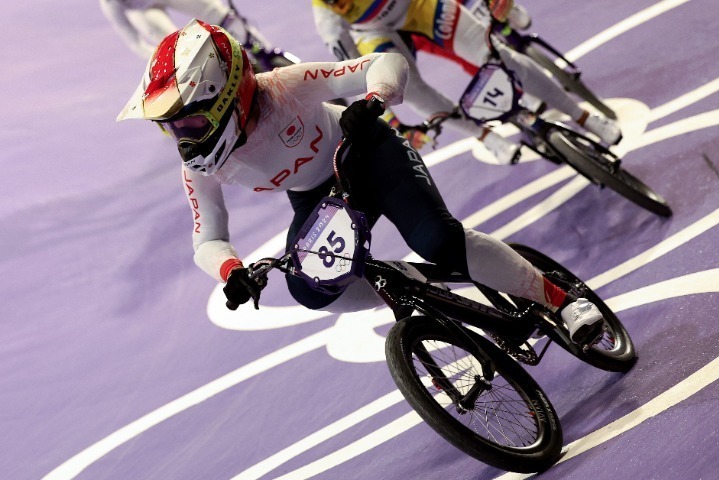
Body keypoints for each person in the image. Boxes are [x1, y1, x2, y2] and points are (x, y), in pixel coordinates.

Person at [117, 19, 604, 344]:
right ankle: (412, 286)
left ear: (225, 98)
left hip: (369, 151)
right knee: (308, 289)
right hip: (320, 194)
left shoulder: (286, 86)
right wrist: (231, 270)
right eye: (171, 126)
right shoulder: (200, 166)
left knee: (437, 238)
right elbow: (208, 238)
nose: (182, 138)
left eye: (189, 123)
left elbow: (385, 65)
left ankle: (563, 303)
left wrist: (373, 101)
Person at [311, 0, 621, 164]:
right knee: (405, 87)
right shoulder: (325, 15)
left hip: (419, 4)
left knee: (499, 56)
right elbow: (355, 70)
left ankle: (583, 116)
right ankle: (486, 136)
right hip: (376, 32)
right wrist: (390, 116)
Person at [99, 0, 280, 71]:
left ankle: (263, 50)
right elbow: (135, 43)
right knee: (177, 47)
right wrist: (167, 63)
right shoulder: (110, 3)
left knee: (220, 14)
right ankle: (216, 74)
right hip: (143, 10)